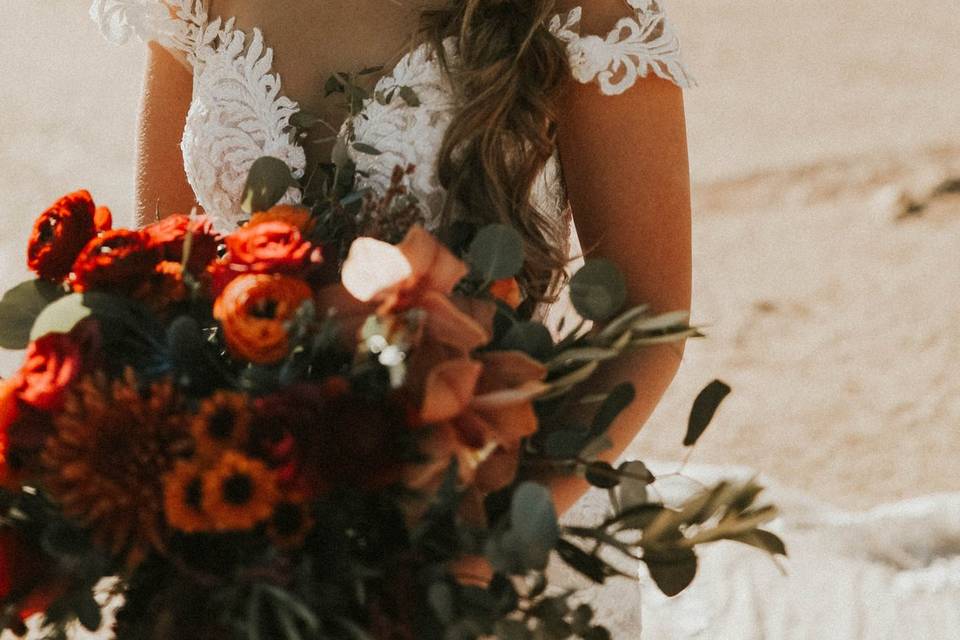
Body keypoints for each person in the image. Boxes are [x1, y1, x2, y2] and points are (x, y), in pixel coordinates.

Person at [91, 0, 694, 515]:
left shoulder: (585, 12)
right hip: (237, 496)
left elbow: (649, 317)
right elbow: (166, 275)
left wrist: (484, 543)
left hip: (483, 501)